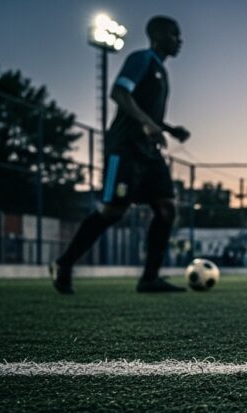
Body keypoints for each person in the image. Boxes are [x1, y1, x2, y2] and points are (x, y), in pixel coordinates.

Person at [51, 16, 189, 294]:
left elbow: (145, 111)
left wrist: (169, 129)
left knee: (167, 208)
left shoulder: (161, 71)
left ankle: (149, 278)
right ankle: (64, 264)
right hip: (125, 148)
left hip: (148, 151)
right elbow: (119, 92)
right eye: (175, 34)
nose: (180, 40)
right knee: (113, 211)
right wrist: (147, 124)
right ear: (159, 35)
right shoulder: (143, 59)